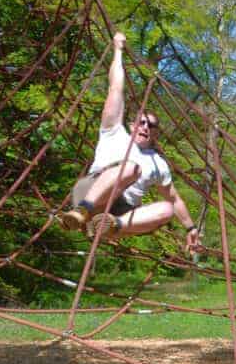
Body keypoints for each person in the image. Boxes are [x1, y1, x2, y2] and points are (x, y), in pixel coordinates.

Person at [59, 31, 201, 250]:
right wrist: (117, 50)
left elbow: (175, 200)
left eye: (151, 125)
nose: (145, 127)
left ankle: (110, 225)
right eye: (142, 122)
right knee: (131, 169)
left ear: (156, 134)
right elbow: (116, 87)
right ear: (132, 125)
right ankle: (82, 212)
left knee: (167, 209)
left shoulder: (159, 163)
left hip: (121, 212)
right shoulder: (114, 132)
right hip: (93, 191)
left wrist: (191, 229)